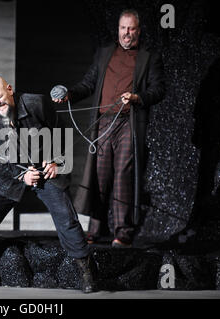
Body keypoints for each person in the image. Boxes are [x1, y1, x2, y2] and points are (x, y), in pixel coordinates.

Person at [0, 76, 96, 293]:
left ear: (10, 89)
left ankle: (86, 272)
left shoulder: (36, 103)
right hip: (9, 173)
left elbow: (60, 129)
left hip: (43, 168)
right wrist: (20, 175)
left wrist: (55, 160)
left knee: (66, 218)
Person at [53, 9, 165, 247]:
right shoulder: (104, 54)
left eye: (132, 29)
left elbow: (158, 90)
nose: (127, 33)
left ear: (139, 30)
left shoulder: (148, 57)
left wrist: (136, 97)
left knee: (123, 174)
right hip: (104, 122)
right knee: (100, 175)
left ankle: (123, 232)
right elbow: (88, 84)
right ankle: (95, 229)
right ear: (118, 30)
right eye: (123, 28)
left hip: (128, 123)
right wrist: (69, 96)